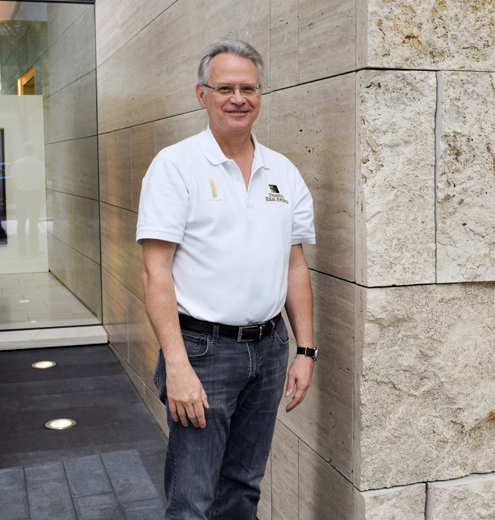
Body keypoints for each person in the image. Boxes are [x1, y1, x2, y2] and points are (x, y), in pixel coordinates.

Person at [136, 40, 318, 519]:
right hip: (203, 352)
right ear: (202, 95)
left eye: (248, 88)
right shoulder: (175, 166)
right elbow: (155, 271)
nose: (238, 98)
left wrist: (305, 349)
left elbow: (294, 264)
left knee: (242, 488)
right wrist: (176, 365)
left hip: (270, 349)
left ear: (260, 94)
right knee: (193, 498)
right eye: (225, 88)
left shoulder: (284, 171)